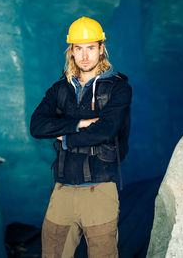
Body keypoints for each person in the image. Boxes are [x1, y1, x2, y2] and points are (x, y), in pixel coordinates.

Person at [30, 16, 132, 258]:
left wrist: (65, 138)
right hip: (63, 190)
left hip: (100, 190)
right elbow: (37, 126)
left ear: (101, 49)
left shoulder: (118, 89)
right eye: (79, 48)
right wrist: (79, 123)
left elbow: (107, 130)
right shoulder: (60, 89)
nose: (85, 55)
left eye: (90, 48)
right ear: (71, 52)